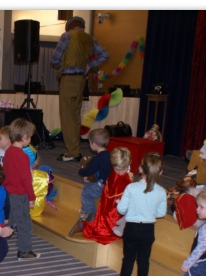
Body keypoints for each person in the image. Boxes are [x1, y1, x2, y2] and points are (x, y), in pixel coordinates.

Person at [51, 16, 109, 162]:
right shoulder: (90, 39)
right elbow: (105, 54)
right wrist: (89, 65)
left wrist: (64, 63)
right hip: (81, 80)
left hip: (68, 79)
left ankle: (72, 152)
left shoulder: (67, 36)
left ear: (70, 27)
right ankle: (75, 149)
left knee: (67, 116)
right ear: (82, 27)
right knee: (76, 116)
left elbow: (54, 59)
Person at [113, 153, 167, 276]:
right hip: (148, 229)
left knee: (129, 257)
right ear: (160, 172)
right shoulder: (161, 191)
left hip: (132, 228)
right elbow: (161, 213)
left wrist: (126, 206)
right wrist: (148, 212)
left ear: (141, 169)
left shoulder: (131, 187)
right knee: (144, 259)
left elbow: (121, 209)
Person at [2, 118, 40, 260]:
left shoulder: (8, 151)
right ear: (24, 137)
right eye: (30, 137)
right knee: (24, 223)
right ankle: (24, 251)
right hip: (19, 194)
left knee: (11, 219)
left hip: (8, 192)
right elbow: (26, 180)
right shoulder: (23, 156)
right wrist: (31, 197)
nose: (30, 139)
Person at [82, 147, 132, 244]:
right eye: (117, 169)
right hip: (109, 206)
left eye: (123, 169)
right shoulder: (115, 175)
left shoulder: (124, 177)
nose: (120, 172)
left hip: (118, 208)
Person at [78, 128, 113, 222]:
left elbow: (88, 171)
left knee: (86, 193)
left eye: (89, 142)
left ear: (93, 143)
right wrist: (89, 177)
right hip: (109, 184)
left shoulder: (97, 159)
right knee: (88, 186)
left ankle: (89, 214)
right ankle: (89, 211)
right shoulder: (109, 155)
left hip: (102, 185)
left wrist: (81, 171)